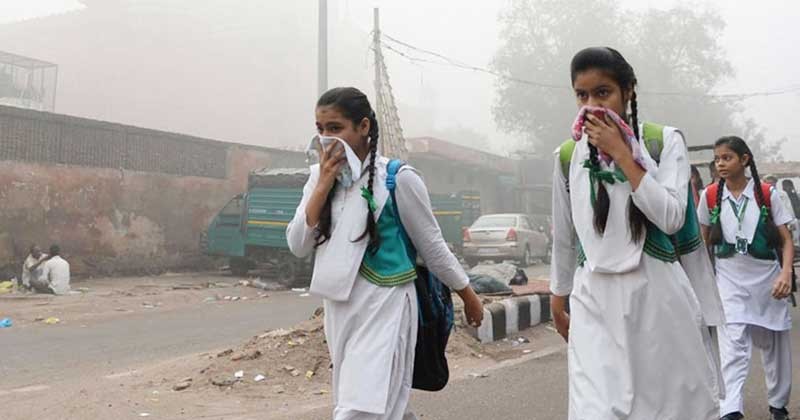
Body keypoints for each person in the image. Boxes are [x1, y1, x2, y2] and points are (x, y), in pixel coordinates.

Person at [286, 87, 483, 420]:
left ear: (363, 127)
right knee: (377, 400)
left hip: (388, 303)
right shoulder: (318, 179)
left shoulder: (398, 179)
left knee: (362, 407)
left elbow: (432, 246)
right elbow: (297, 244)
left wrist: (468, 294)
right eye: (320, 130)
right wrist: (322, 186)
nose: (326, 139)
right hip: (340, 307)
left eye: (336, 128)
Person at [550, 47, 720, 419]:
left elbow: (672, 217)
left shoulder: (663, 141)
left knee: (667, 407)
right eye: (582, 95)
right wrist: (558, 294)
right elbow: (564, 236)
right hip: (593, 300)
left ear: (629, 91)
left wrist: (624, 157)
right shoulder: (567, 156)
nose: (592, 105)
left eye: (603, 92)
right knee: (595, 409)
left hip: (657, 298)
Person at [698, 137, 794, 420]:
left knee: (774, 346)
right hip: (729, 280)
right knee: (733, 344)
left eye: (727, 158)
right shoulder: (710, 196)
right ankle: (731, 409)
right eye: (717, 159)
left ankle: (778, 405)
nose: (720, 164)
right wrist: (702, 280)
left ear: (744, 160)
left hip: (767, 280)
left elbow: (786, 240)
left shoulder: (767, 194)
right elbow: (703, 241)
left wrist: (786, 273)